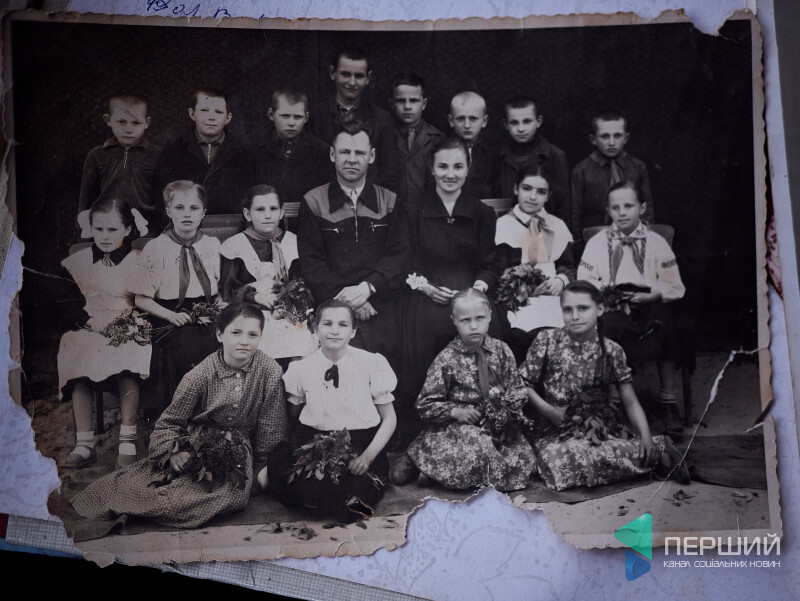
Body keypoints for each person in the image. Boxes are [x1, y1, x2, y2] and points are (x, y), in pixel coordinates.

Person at [71, 303, 287, 529]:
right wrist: (174, 452)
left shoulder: (269, 371)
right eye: (236, 333)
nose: (244, 341)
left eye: (253, 335)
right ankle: (148, 503)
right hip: (199, 443)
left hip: (238, 451)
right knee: (169, 485)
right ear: (220, 334)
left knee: (232, 493)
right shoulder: (200, 375)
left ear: (261, 337)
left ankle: (199, 499)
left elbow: (271, 425)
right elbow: (168, 424)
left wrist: (261, 467)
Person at [519, 280, 687, 491]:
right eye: (568, 310)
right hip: (554, 430)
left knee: (590, 453)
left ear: (599, 309)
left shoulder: (611, 350)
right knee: (558, 463)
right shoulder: (546, 340)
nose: (575, 316)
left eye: (583, 308)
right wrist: (550, 411)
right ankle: (645, 459)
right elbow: (523, 384)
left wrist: (645, 435)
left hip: (597, 429)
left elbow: (630, 401)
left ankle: (658, 448)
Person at [397, 136, 503, 444]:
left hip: (470, 290)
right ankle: (428, 428)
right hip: (427, 294)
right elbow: (403, 263)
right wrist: (427, 288)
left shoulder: (482, 213)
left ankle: (486, 420)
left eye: (458, 166)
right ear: (432, 169)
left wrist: (476, 291)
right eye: (443, 166)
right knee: (428, 330)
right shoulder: (412, 210)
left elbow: (489, 264)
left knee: (487, 329)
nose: (450, 174)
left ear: (468, 168)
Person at [392, 289, 537, 490]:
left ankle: (433, 473)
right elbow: (424, 404)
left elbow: (517, 390)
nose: (474, 326)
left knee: (520, 459)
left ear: (490, 316)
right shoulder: (447, 358)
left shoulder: (502, 350)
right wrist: (456, 412)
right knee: (477, 446)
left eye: (480, 318)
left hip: (498, 425)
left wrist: (503, 411)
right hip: (459, 427)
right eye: (465, 320)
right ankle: (420, 460)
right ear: (454, 321)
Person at [268, 300, 397, 523]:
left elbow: (390, 419)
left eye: (343, 325)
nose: (335, 331)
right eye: (327, 324)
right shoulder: (302, 367)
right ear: (315, 328)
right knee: (306, 488)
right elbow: (294, 416)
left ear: (353, 331)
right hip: (315, 441)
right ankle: (270, 477)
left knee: (354, 498)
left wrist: (367, 457)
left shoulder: (371, 363)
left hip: (360, 444)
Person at [577, 181, 686, 432]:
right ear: (608, 211)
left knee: (670, 323)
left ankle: (668, 401)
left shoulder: (656, 242)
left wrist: (652, 296)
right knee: (607, 327)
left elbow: (674, 285)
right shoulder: (597, 243)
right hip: (611, 304)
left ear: (642, 208)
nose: (622, 212)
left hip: (649, 303)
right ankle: (615, 402)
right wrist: (607, 296)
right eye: (615, 208)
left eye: (629, 206)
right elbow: (585, 281)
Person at [298, 122, 409, 361]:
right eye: (345, 152)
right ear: (332, 154)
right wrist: (350, 300)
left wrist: (367, 288)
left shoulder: (389, 200)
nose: (352, 159)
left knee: (394, 349)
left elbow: (398, 254)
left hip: (380, 299)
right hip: (332, 301)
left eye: (359, 153)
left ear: (372, 156)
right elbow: (312, 263)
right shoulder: (313, 201)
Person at [58, 197, 151, 469]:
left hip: (127, 323)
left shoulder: (138, 261)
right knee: (75, 348)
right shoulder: (78, 262)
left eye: (112, 229)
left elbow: (146, 298)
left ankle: (127, 440)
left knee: (128, 357)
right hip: (90, 325)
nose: (105, 236)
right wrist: (87, 320)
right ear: (91, 229)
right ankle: (84, 444)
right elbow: (65, 303)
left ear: (127, 229)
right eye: (99, 229)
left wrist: (130, 321)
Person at [130, 180, 222, 411]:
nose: (187, 214)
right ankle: (185, 414)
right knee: (187, 346)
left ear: (203, 213)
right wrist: (171, 316)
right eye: (179, 207)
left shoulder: (212, 245)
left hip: (208, 312)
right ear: (169, 211)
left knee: (224, 341)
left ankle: (217, 411)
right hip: (169, 315)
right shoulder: (156, 248)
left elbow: (221, 289)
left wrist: (219, 308)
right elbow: (141, 299)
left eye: (194, 208)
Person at [220, 184, 317, 360]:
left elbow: (304, 284)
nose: (267, 215)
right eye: (260, 209)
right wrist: (257, 296)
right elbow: (229, 291)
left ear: (281, 212)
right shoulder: (235, 246)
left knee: (302, 343)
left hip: (289, 314)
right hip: (249, 313)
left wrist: (287, 301)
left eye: (273, 209)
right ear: (247, 214)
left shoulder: (294, 242)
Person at [495, 166, 575, 362]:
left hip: (553, 295)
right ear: (516, 189)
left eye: (541, 192)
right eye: (527, 189)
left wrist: (561, 280)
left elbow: (568, 265)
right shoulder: (503, 225)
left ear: (548, 196)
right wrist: (523, 288)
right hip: (520, 298)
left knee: (562, 333)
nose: (532, 197)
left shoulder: (557, 225)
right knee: (523, 334)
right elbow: (499, 270)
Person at [153, 88, 258, 216]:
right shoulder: (173, 151)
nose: (211, 117)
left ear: (228, 118)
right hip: (185, 223)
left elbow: (252, 199)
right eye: (204, 110)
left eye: (218, 112)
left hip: (230, 224)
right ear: (192, 114)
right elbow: (161, 198)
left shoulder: (244, 154)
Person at [310, 47, 401, 191]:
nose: (352, 82)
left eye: (358, 76)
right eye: (345, 74)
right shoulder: (316, 116)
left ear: (368, 78)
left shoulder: (382, 119)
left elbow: (390, 173)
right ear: (333, 73)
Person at [570, 112, 654, 253]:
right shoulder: (581, 171)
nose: (611, 142)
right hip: (594, 242)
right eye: (605, 136)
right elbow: (575, 215)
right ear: (593, 139)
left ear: (626, 138)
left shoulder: (638, 167)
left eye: (617, 136)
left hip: (632, 240)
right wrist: (578, 249)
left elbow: (647, 210)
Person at [77, 95, 163, 233]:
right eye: (122, 122)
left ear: (147, 123)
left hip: (146, 230)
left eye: (136, 123)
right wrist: (85, 230)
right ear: (108, 120)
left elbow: (164, 201)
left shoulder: (158, 155)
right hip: (106, 229)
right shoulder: (96, 155)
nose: (128, 129)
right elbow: (86, 201)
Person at [490, 96, 570, 224]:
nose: (521, 129)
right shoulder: (495, 156)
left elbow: (563, 205)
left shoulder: (554, 156)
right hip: (504, 227)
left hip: (543, 227)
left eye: (527, 121)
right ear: (505, 124)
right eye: (514, 122)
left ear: (539, 121)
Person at [255, 87, 333, 217]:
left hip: (309, 221)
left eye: (298, 117)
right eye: (285, 116)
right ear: (271, 114)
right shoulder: (255, 150)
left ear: (306, 117)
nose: (291, 123)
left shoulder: (321, 151)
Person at [387, 73, 445, 204]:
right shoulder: (385, 135)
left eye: (414, 101)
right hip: (392, 209)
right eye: (401, 101)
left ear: (424, 104)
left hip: (428, 209)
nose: (407, 106)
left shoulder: (437, 139)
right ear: (391, 104)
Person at [447, 91, 493, 200]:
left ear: (484, 121)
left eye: (473, 119)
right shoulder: (444, 150)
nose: (467, 125)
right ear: (451, 121)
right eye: (460, 119)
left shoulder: (493, 153)